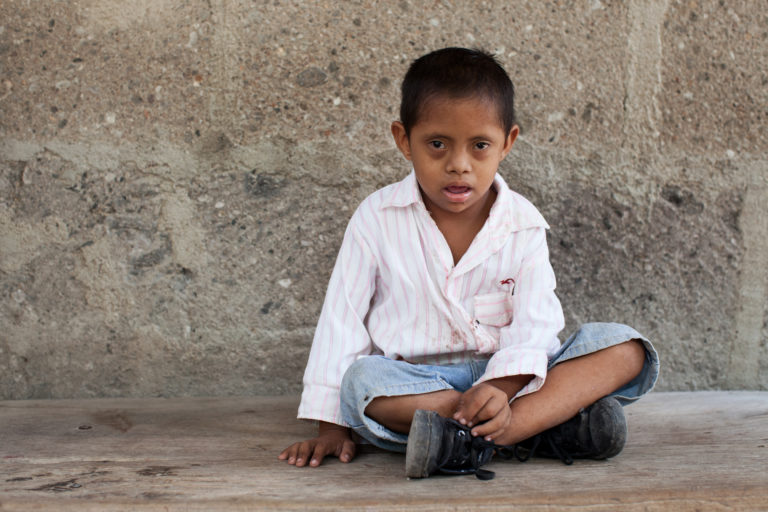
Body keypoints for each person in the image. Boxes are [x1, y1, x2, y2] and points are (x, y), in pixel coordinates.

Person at [278, 47, 659, 479]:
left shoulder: (522, 223)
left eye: (480, 146)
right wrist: (332, 426)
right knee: (362, 384)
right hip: (419, 385)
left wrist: (500, 387)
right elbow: (341, 319)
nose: (458, 165)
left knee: (625, 348)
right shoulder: (376, 217)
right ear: (404, 140)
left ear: (507, 143)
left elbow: (535, 325)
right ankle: (538, 428)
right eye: (437, 144)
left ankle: (473, 435)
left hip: (518, 381)